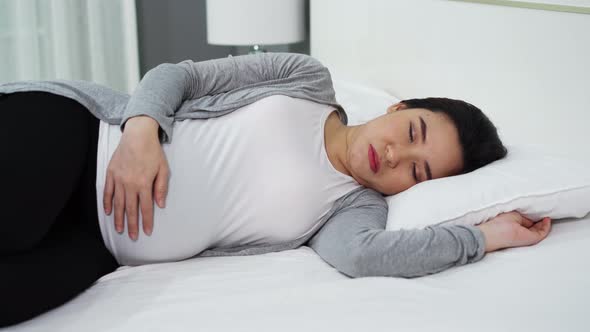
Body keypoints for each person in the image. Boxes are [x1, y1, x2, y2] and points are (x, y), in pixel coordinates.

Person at [0, 52, 552, 327]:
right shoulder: (306, 79)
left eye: (418, 172)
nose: (396, 157)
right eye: (412, 133)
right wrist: (141, 131)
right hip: (87, 140)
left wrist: (485, 237)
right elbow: (179, 75)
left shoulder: (352, 209)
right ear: (399, 106)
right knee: (17, 223)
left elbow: (363, 258)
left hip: (100, 246)